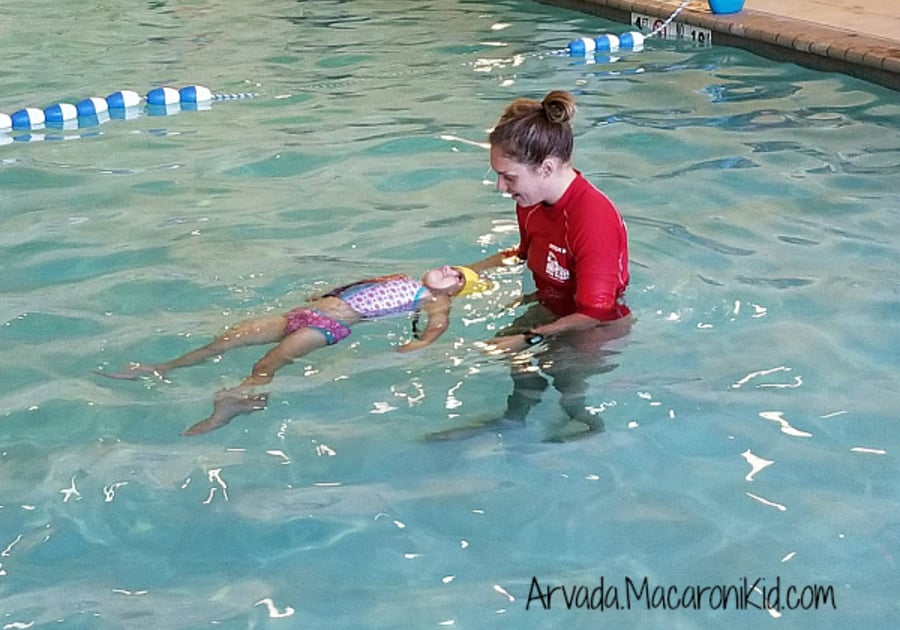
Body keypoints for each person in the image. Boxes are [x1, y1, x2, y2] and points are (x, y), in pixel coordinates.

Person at [97, 265, 489, 436]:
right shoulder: (402, 278)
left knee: (268, 362)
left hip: (330, 326)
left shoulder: (435, 301)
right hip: (310, 311)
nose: (448, 271)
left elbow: (439, 326)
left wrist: (422, 342)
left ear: (455, 291)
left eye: (457, 277)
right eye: (452, 267)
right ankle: (162, 367)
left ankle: (238, 401)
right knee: (228, 339)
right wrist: (322, 295)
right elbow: (357, 285)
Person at [445, 89, 632, 441]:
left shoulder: (592, 218)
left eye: (509, 177)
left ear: (545, 168)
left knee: (563, 376)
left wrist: (529, 337)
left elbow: (598, 310)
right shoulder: (530, 200)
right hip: (552, 306)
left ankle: (587, 421)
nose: (501, 187)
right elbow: (523, 252)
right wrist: (466, 273)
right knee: (505, 348)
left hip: (596, 327)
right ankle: (514, 418)